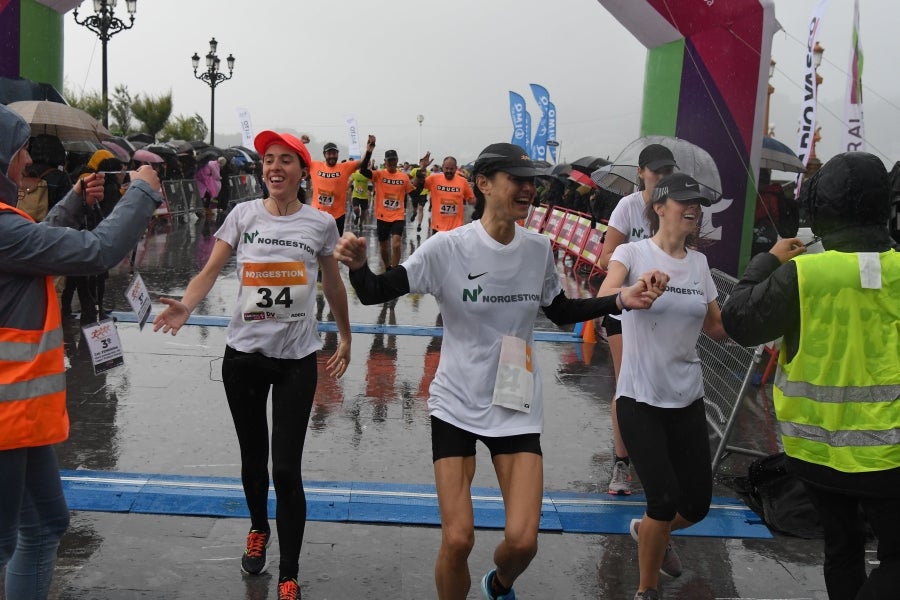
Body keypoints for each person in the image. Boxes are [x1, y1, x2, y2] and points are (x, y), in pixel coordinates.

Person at [335, 142, 667, 600]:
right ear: (485, 184)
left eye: (532, 181)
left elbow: (561, 309)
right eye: (517, 179)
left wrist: (620, 299)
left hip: (514, 396)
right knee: (457, 538)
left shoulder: (538, 249)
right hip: (455, 399)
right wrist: (357, 267)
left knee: (523, 541)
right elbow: (375, 291)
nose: (528, 188)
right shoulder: (447, 249)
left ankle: (500, 582)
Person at [152, 130, 351, 600]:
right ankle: (258, 526)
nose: (274, 167)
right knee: (252, 459)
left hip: (296, 361)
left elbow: (334, 285)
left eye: (285, 160)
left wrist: (344, 334)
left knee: (286, 468)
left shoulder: (320, 223)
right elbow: (209, 270)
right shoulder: (243, 214)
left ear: (303, 171)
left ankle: (289, 572)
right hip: (242, 358)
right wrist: (187, 304)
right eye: (268, 160)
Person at [0, 103, 163, 600]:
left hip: (21, 416)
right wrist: (141, 192)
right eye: (20, 145)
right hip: (5, 419)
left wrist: (72, 201)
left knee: (46, 525)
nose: (27, 156)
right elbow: (94, 252)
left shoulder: (7, 225)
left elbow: (33, 244)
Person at [721, 152, 899, 600]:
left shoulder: (804, 274)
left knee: (842, 548)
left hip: (814, 453)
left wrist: (767, 261)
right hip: (889, 458)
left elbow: (738, 321)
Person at [597, 171, 726, 600]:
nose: (694, 209)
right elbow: (607, 289)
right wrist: (635, 290)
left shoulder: (700, 263)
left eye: (699, 204)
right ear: (659, 208)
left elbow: (715, 326)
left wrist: (768, 298)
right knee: (663, 500)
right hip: (640, 399)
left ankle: (648, 532)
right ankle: (646, 589)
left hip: (687, 398)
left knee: (696, 506)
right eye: (684, 201)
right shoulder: (633, 253)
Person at [597, 143, 676, 496]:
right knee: (627, 382)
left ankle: (657, 457)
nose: (662, 177)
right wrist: (637, 264)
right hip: (626, 306)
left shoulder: (675, 206)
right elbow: (604, 258)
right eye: (656, 171)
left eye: (667, 171)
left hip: (666, 308)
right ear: (641, 173)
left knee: (661, 382)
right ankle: (621, 462)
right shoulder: (627, 206)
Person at [359, 149, 414, 271]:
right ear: (385, 162)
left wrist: (415, 209)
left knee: (396, 244)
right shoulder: (379, 175)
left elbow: (413, 193)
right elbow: (362, 170)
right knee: (384, 247)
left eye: (394, 160)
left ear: (397, 160)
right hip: (382, 216)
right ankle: (387, 268)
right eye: (389, 160)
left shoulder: (403, 177)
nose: (392, 162)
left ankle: (394, 270)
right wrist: (369, 151)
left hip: (398, 216)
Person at [309, 136, 375, 236]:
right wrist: (301, 142)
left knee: (335, 247)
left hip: (337, 215)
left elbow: (362, 163)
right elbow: (299, 158)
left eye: (334, 153)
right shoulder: (314, 165)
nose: (332, 156)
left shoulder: (344, 167)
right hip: (318, 214)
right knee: (317, 245)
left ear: (338, 154)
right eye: (329, 153)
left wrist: (369, 150)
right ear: (324, 154)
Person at [416, 153, 475, 235]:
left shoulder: (463, 181)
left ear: (456, 168)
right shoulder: (434, 179)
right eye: (446, 168)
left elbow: (472, 200)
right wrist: (422, 168)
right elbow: (417, 184)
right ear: (442, 167)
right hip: (438, 228)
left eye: (451, 169)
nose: (449, 171)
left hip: (456, 229)